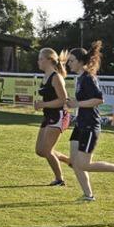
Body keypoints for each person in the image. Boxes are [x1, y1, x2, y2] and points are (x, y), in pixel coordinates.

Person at [65, 41, 114, 201]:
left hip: (90, 126)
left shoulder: (88, 78)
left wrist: (77, 103)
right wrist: (72, 101)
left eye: (72, 60)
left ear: (81, 62)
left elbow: (99, 99)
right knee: (75, 162)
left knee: (84, 164)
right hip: (80, 124)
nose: (69, 63)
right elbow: (85, 100)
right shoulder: (80, 78)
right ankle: (88, 195)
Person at [34, 48, 71, 186]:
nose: (38, 61)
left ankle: (59, 179)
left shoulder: (56, 77)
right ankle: (69, 161)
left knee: (47, 151)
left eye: (40, 58)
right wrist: (41, 105)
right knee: (40, 151)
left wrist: (43, 104)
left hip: (58, 115)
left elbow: (63, 100)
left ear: (49, 60)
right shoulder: (45, 77)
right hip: (48, 115)